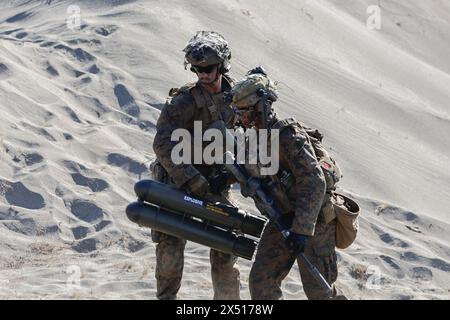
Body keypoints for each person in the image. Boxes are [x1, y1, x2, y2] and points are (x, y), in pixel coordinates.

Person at [229, 67, 346, 300]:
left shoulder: (288, 136)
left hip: (314, 221)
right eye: (238, 111)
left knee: (320, 291)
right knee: (262, 282)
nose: (240, 116)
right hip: (281, 218)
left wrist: (301, 231)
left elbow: (314, 182)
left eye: (244, 110)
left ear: (259, 107)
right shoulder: (253, 140)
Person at [151, 31, 240, 300]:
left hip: (214, 181)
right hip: (178, 182)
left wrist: (228, 175)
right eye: (197, 69)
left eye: (208, 68)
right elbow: (162, 144)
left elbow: (247, 141)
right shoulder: (184, 101)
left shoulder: (237, 98)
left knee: (226, 247)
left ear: (222, 65)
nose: (202, 74)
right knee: (170, 248)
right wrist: (191, 177)